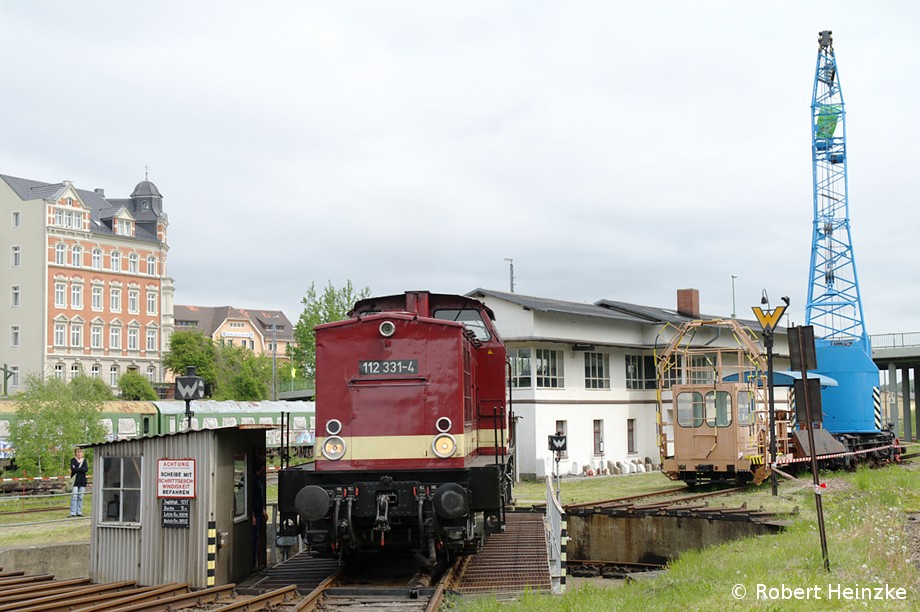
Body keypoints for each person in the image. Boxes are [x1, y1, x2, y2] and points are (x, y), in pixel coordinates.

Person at [250, 456, 268, 569]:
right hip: (255, 514)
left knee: (257, 538)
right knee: (254, 539)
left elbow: (258, 498)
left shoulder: (256, 479)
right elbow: (251, 498)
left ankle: (256, 563)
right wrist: (252, 515)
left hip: (259, 512)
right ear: (262, 467)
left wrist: (263, 510)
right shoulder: (253, 480)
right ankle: (253, 564)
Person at [70, 447, 89, 517]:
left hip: (82, 481)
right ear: (75, 453)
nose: (79, 453)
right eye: (78, 452)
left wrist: (77, 468)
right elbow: (73, 469)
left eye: (80, 452)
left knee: (80, 497)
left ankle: (79, 512)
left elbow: (86, 469)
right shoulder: (72, 460)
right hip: (74, 481)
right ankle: (73, 513)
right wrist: (81, 469)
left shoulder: (84, 461)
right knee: (74, 496)